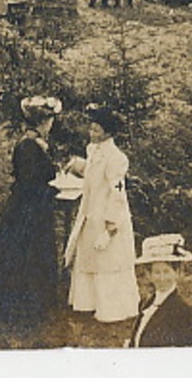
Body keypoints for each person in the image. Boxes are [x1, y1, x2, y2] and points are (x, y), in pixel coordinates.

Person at [0, 95, 63, 326]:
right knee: (25, 252)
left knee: (30, 251)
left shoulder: (35, 142)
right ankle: (22, 306)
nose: (51, 125)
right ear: (43, 122)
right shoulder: (29, 145)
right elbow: (30, 181)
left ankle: (35, 300)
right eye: (49, 121)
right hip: (28, 209)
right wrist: (49, 190)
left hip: (31, 206)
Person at [63, 106, 138, 324]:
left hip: (107, 215)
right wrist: (79, 165)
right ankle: (88, 303)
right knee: (89, 258)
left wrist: (111, 227)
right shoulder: (93, 150)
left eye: (96, 130)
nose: (91, 133)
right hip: (91, 213)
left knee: (107, 260)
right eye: (91, 129)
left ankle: (112, 308)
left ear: (107, 133)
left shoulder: (117, 158)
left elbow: (117, 194)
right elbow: (94, 170)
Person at [128, 235, 192, 348]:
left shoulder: (187, 314)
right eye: (157, 272)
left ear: (177, 272)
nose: (162, 278)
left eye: (166, 271)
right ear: (149, 275)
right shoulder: (147, 305)